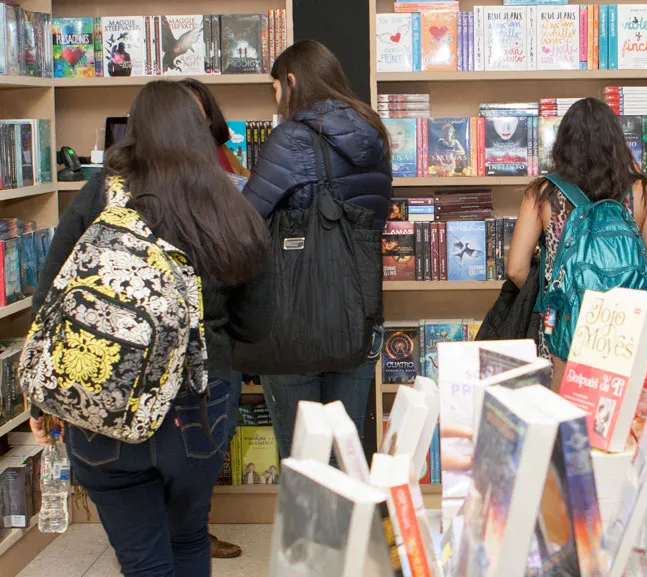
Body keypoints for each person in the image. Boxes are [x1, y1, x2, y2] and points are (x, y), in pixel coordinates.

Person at [28, 81, 272, 577]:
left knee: (142, 561)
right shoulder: (231, 205)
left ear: (133, 133)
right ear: (204, 130)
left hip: (102, 397)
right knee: (187, 538)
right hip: (199, 402)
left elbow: (53, 291)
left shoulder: (101, 194)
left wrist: (42, 397)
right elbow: (256, 324)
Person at [243, 39, 392, 459]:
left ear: (292, 81)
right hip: (358, 314)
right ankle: (351, 527)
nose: (276, 100)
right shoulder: (375, 135)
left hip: (296, 316)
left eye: (275, 88)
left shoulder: (291, 139)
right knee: (349, 459)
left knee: (306, 464)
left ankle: (314, 528)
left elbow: (245, 223)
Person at [506, 97, 647, 386]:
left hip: (562, 328)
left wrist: (559, 296)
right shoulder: (639, 191)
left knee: (567, 417)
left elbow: (516, 269)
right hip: (623, 330)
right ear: (616, 142)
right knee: (616, 415)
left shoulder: (543, 193)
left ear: (563, 143)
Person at [178, 76, 248, 560]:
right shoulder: (125, 180)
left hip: (216, 337)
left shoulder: (222, 161)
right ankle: (174, 536)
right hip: (158, 340)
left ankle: (194, 531)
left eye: (200, 112)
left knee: (207, 445)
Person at [180, 78, 250, 178]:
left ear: (210, 119)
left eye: (196, 114)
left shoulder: (222, 151)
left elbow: (245, 183)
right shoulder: (163, 162)